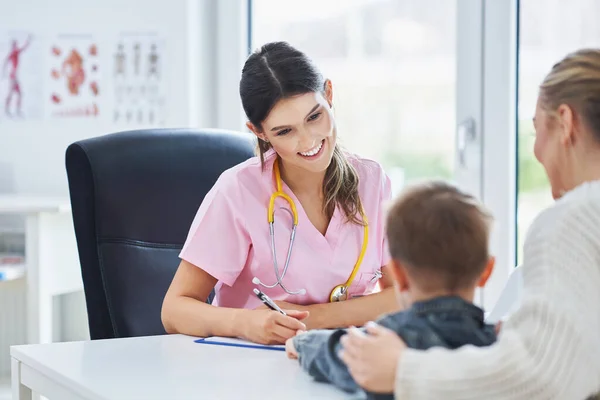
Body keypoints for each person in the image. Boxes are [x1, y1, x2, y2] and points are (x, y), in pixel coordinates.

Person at [339, 48, 600, 399]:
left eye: (536, 130)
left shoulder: (572, 220)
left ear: (566, 123)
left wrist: (403, 370)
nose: (537, 151)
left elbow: (541, 380)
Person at [161, 41, 399, 345]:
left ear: (329, 94)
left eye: (314, 117)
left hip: (345, 358)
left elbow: (405, 296)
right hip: (252, 368)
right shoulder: (238, 191)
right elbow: (174, 310)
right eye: (284, 131)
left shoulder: (372, 181)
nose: (308, 140)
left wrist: (313, 318)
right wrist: (246, 322)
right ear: (259, 131)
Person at [286, 181, 498, 399]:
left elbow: (334, 351)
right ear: (487, 271)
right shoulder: (497, 342)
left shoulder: (387, 339)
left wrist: (300, 343)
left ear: (398, 274)